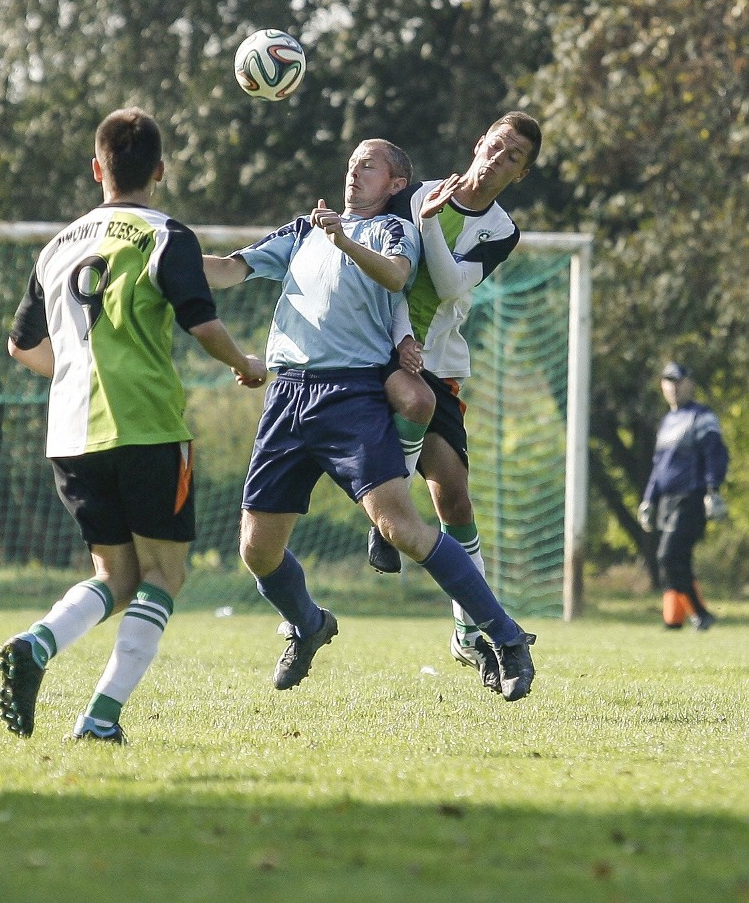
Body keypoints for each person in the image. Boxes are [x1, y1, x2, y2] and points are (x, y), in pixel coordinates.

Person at [203, 138, 537, 702]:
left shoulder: (392, 230)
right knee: (256, 551)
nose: (354, 172)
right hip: (285, 397)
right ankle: (309, 624)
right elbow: (230, 270)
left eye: (369, 165)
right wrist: (170, 254)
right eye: (352, 163)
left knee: (401, 527)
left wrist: (342, 238)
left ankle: (503, 637)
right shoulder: (302, 230)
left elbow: (397, 274)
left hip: (349, 395)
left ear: (395, 185)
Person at [0, 107, 267, 743]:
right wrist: (247, 364)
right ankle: (99, 718)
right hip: (145, 425)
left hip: (69, 435)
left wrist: (74, 376)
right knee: (164, 576)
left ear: (98, 169)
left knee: (113, 577)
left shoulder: (57, 245)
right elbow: (203, 324)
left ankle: (40, 642)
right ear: (161, 171)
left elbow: (21, 346)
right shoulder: (165, 234)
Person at [366, 112, 542, 694]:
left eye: (514, 156)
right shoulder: (410, 195)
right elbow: (385, 267)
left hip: (438, 364)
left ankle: (469, 633)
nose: (499, 157)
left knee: (457, 500)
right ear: (478, 143)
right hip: (379, 351)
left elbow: (448, 286)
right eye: (496, 144)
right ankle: (387, 498)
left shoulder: (499, 229)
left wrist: (431, 225)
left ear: (519, 174)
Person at [637, 361, 729, 631]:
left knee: (668, 556)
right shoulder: (667, 421)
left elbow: (715, 455)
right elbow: (659, 466)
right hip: (666, 501)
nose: (673, 387)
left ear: (690, 383)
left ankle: (700, 613)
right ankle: (674, 621)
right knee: (678, 561)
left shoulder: (702, 416)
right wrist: (649, 499)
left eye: (679, 381)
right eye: (668, 381)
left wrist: (713, 489)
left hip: (691, 497)